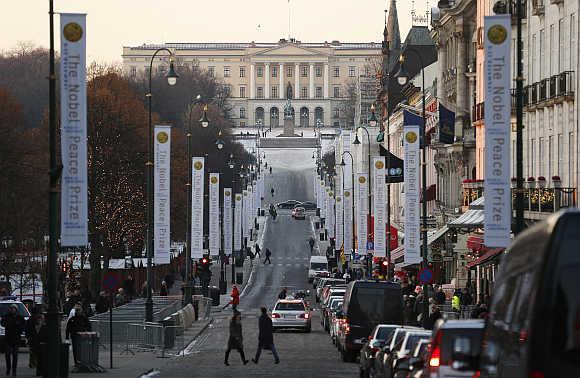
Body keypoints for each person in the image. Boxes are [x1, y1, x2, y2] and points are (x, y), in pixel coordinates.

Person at [2, 305, 25, 376]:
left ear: (16, 309)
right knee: (7, 355)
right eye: (11, 308)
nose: (12, 310)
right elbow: (3, 323)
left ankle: (14, 370)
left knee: (15, 355)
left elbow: (23, 325)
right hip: (8, 338)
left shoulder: (20, 317)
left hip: (16, 338)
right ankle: (8, 368)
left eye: (14, 309)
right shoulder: (6, 316)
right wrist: (8, 324)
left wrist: (19, 328)